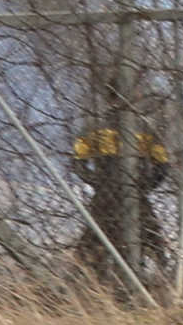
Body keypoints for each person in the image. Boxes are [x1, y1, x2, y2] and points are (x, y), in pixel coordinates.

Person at [72, 113, 172, 284]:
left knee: (149, 234)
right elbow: (78, 162)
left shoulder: (144, 127)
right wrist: (98, 183)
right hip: (109, 193)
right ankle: (95, 279)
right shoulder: (94, 126)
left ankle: (148, 278)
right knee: (96, 237)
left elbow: (162, 166)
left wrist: (144, 186)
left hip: (131, 192)